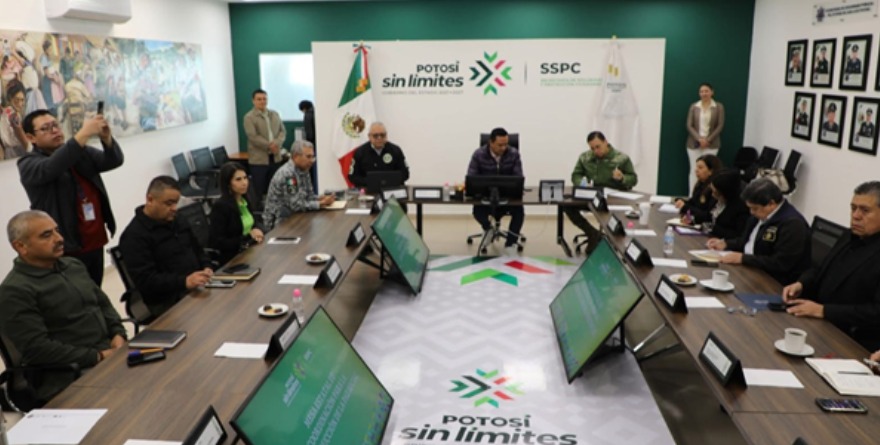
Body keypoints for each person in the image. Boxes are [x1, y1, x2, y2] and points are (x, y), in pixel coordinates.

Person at [0, 210, 126, 402]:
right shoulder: (15, 290)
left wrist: (118, 333)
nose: (59, 239)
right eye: (46, 235)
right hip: (68, 374)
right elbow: (37, 349)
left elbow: (102, 304)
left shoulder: (73, 266)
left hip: (107, 353)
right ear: (21, 246)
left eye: (57, 231)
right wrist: (97, 356)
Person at [17, 108, 123, 286]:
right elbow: (52, 167)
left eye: (55, 125)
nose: (55, 131)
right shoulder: (28, 164)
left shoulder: (80, 153)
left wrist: (106, 138)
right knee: (77, 295)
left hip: (94, 238)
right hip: (65, 246)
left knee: (95, 291)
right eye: (46, 128)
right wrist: (84, 133)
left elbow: (113, 161)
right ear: (30, 137)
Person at [783, 181, 880, 351]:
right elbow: (821, 269)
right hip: (820, 324)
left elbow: (876, 312)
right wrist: (802, 284)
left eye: (865, 210)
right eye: (853, 208)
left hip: (854, 339)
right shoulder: (848, 235)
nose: (856, 216)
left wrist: (824, 311)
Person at [119, 176, 214, 317]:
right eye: (169, 203)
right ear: (150, 199)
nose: (174, 208)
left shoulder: (178, 220)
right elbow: (146, 281)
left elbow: (197, 249)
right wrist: (184, 282)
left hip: (194, 287)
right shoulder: (133, 237)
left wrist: (206, 266)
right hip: (167, 300)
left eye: (176, 202)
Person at [706, 178, 810, 284]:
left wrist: (743, 259)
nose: (751, 212)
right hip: (750, 268)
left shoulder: (793, 224)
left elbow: (780, 263)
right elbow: (746, 241)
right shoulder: (760, 215)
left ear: (771, 203)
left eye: (755, 208)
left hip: (772, 280)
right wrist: (726, 244)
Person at [565, 131, 638, 253]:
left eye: (598, 147)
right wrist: (582, 183)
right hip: (592, 197)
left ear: (606, 142)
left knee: (612, 216)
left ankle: (615, 242)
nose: (596, 151)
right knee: (566, 205)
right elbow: (576, 175)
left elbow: (633, 179)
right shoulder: (585, 158)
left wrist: (622, 178)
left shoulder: (621, 158)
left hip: (612, 199)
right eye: (592, 148)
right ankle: (592, 233)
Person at [467, 127, 524, 256]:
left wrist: (512, 188)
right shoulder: (478, 155)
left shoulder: (514, 154)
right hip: (485, 196)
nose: (503, 148)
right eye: (500, 145)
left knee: (519, 211)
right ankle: (488, 228)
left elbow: (518, 177)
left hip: (507, 196)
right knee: (477, 210)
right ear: (491, 142)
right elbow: (472, 177)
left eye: (506, 144)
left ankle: (511, 244)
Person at [263, 140, 335, 231]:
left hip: (296, 217)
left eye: (312, 157)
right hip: (279, 223)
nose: (311, 161)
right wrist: (321, 203)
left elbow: (309, 196)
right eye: (308, 157)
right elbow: (295, 205)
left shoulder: (304, 170)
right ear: (296, 156)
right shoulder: (288, 174)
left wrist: (320, 198)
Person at [209, 162, 265, 265]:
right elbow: (217, 242)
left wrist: (258, 230)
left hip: (251, 251)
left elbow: (253, 223)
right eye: (238, 179)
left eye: (245, 178)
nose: (244, 183)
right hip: (234, 259)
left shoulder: (244, 200)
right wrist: (249, 237)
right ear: (228, 183)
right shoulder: (221, 206)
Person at [243, 89, 286, 198]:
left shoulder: (274, 114)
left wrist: (276, 143)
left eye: (264, 99)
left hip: (275, 158)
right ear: (253, 101)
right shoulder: (249, 117)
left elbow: (282, 132)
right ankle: (259, 209)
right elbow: (253, 136)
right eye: (259, 99)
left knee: (276, 188)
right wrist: (269, 145)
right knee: (259, 190)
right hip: (259, 161)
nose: (262, 101)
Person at [685, 83, 725, 191]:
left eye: (706, 91)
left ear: (712, 92)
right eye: (701, 91)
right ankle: (692, 195)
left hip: (711, 144)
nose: (704, 93)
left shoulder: (718, 107)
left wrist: (708, 140)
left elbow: (720, 125)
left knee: (709, 171)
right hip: (694, 144)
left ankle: (706, 195)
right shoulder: (694, 106)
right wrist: (699, 139)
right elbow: (689, 125)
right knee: (695, 170)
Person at [348, 122, 410, 189]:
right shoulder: (360, 152)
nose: (379, 138)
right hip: (368, 190)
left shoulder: (396, 150)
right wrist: (371, 182)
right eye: (375, 135)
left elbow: (405, 173)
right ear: (369, 136)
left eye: (382, 135)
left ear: (386, 136)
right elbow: (352, 176)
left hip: (392, 190)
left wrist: (389, 181)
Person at [675, 154, 721, 225]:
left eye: (700, 168)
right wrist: (682, 202)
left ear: (711, 171)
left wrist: (685, 207)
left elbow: (707, 214)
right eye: (696, 167)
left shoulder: (715, 190)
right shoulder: (700, 185)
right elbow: (694, 203)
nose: (696, 170)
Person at [704, 168, 750, 240]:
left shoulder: (741, 208)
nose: (712, 195)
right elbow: (707, 215)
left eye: (716, 193)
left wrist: (713, 228)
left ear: (726, 193)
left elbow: (738, 235)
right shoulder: (716, 199)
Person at [0, 79, 28, 159]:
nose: (20, 104)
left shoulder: (15, 113)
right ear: (10, 99)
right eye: (16, 100)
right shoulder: (9, 114)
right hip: (14, 152)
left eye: (22, 100)